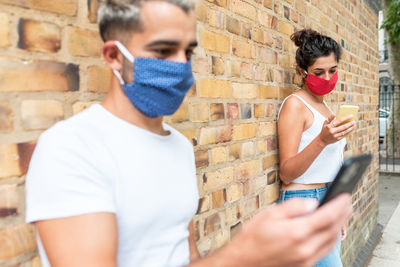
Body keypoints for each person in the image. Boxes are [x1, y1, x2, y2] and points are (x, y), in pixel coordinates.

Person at [25, 1, 353, 266]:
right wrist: (243, 254)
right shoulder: (71, 147)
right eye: (164, 51)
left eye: (188, 52)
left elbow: (188, 258)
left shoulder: (179, 147)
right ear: (114, 56)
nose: (182, 66)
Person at [277, 29, 356, 267]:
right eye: (318, 72)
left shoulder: (327, 109)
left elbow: (332, 164)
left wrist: (337, 208)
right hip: (303, 201)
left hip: (326, 201)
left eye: (333, 70)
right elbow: (287, 172)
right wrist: (322, 140)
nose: (327, 77)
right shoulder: (295, 105)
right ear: (302, 72)